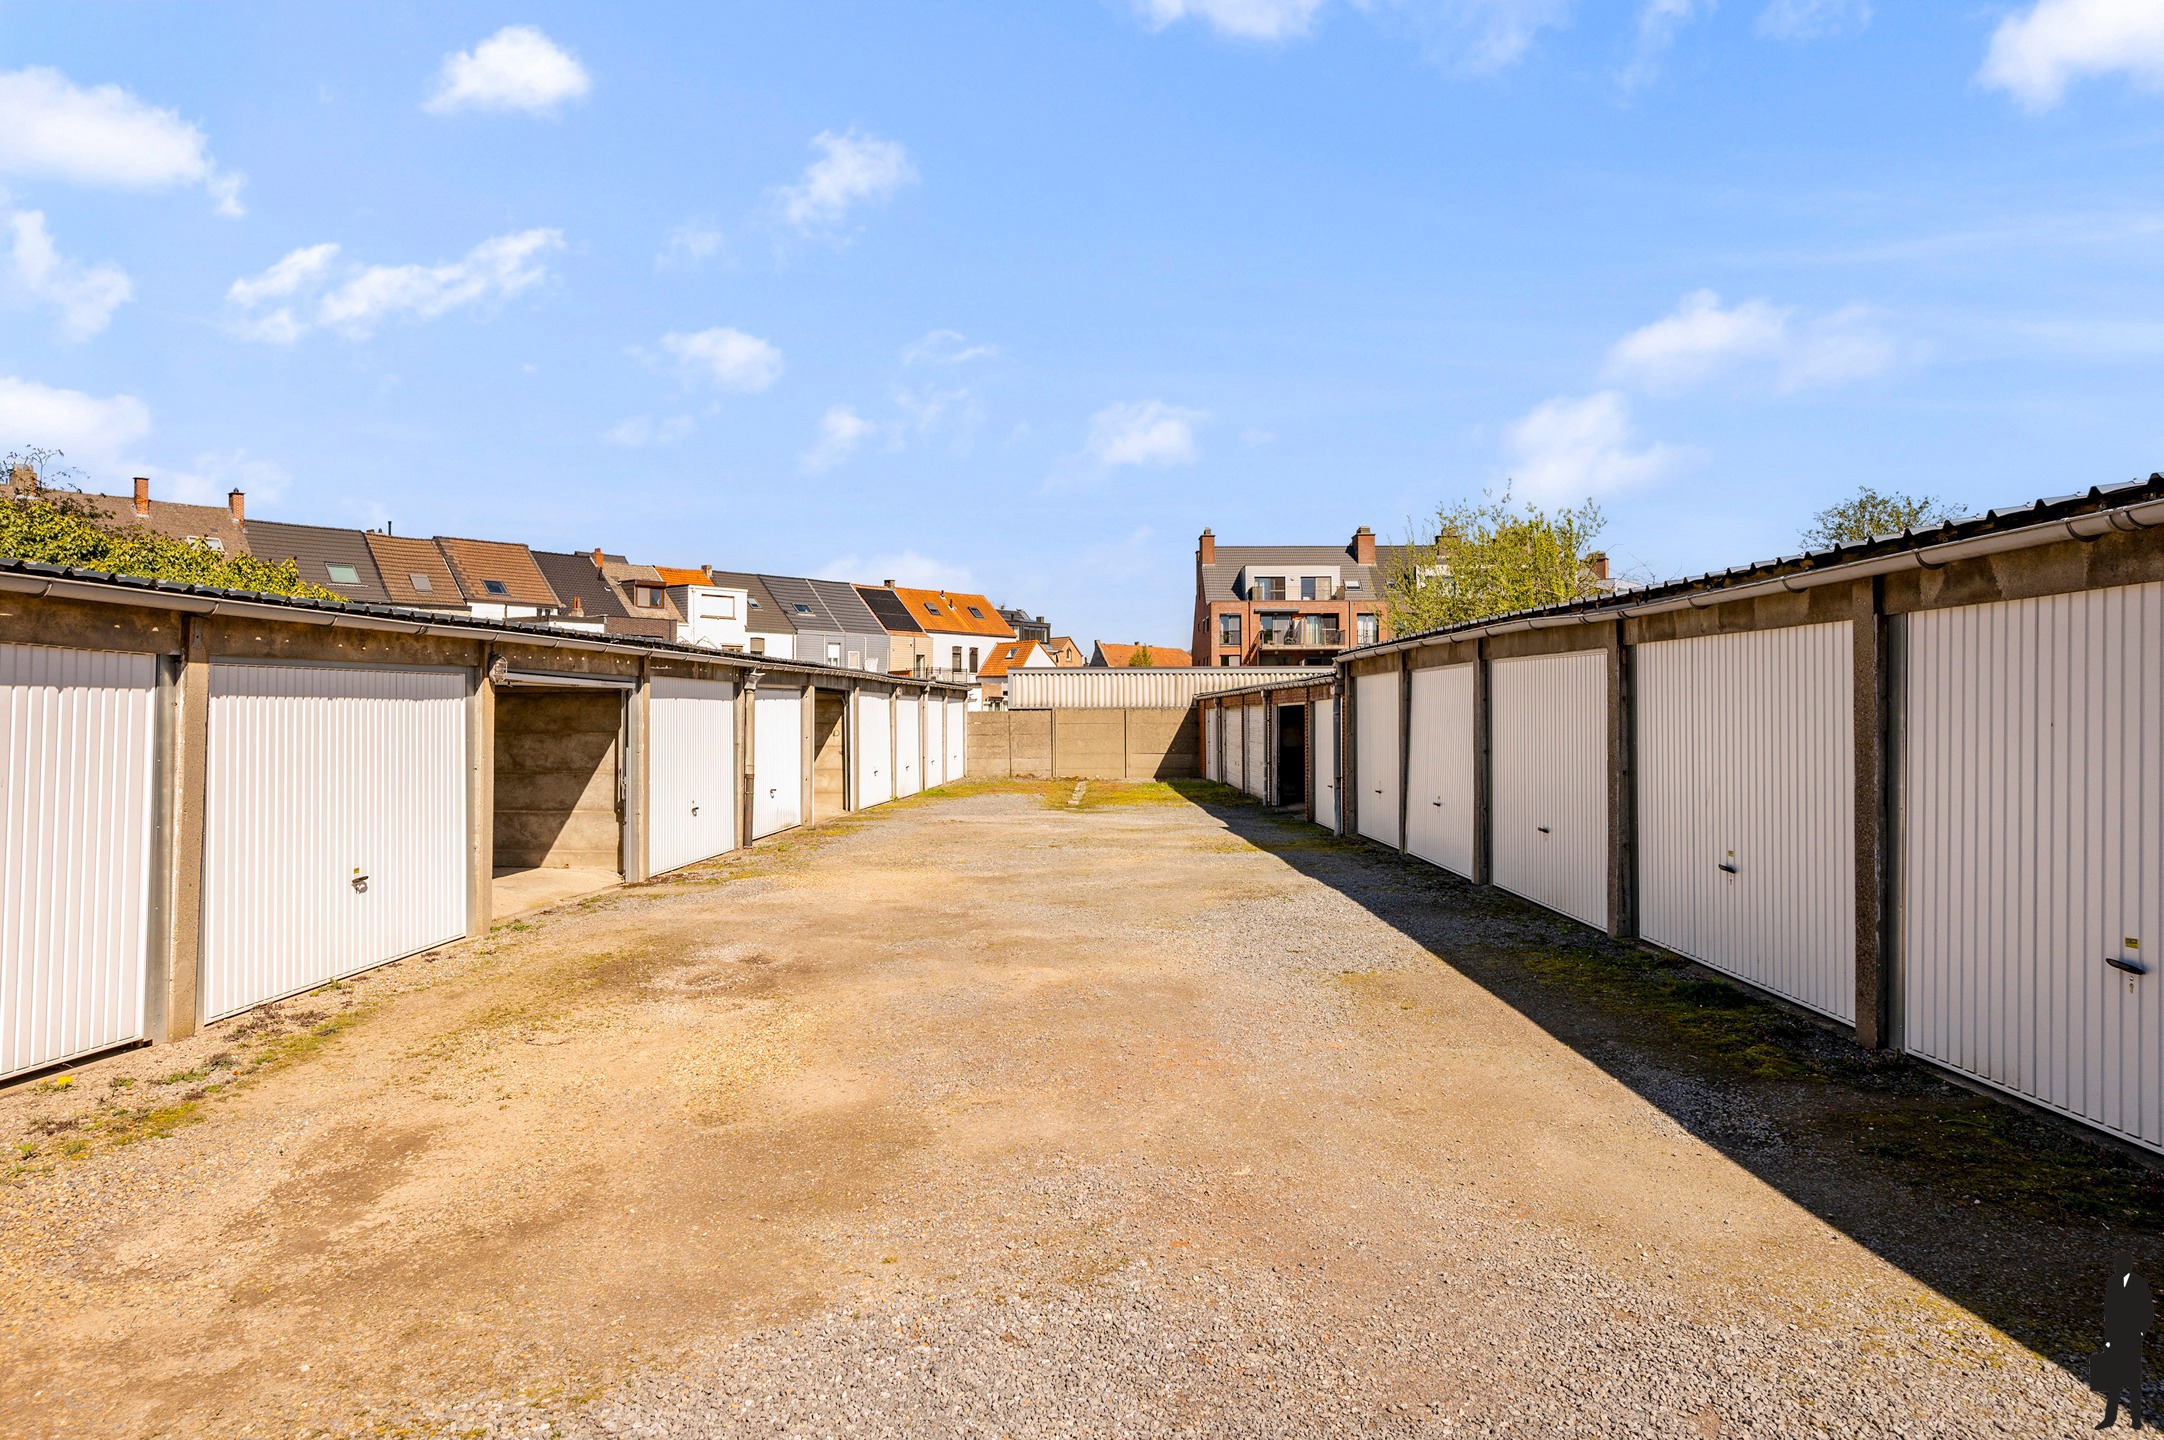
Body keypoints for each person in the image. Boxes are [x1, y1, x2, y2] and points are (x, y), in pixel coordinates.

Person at [2093, 1250, 2152, 1430]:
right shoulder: (2112, 1283)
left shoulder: (2139, 1284)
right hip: (2117, 1337)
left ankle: (2135, 1419)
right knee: (2114, 1380)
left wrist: (2140, 1332)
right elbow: (2109, 1312)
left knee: (2134, 1381)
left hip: (2133, 1337)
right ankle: (2109, 1418)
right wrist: (2109, 1337)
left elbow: (2148, 1311)